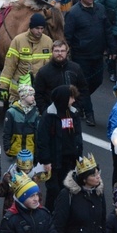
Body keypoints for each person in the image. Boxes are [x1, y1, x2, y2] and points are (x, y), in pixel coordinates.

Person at [64, 0, 117, 126]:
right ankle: (89, 114)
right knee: (84, 85)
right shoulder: (73, 13)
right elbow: (67, 35)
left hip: (97, 54)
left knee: (97, 81)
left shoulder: (100, 9)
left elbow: (107, 30)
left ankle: (79, 102)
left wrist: (112, 48)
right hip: (81, 55)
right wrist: (67, 53)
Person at [36, 85, 84, 213]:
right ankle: (49, 214)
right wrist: (46, 161)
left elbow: (77, 136)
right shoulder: (49, 116)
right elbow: (42, 140)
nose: (73, 100)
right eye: (71, 97)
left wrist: (78, 155)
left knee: (66, 189)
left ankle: (62, 215)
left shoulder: (73, 113)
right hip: (53, 161)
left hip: (69, 160)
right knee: (53, 190)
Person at [0, 13, 52, 103]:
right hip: (19, 92)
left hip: (40, 91)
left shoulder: (48, 42)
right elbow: (9, 66)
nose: (40, 31)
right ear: (30, 27)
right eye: (37, 28)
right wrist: (3, 87)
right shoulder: (18, 41)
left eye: (42, 28)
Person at [33, 40, 89, 114]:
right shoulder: (43, 71)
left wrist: (77, 107)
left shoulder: (76, 68)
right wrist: (45, 111)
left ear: (67, 52)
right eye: (56, 51)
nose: (60, 53)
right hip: (51, 114)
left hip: (72, 112)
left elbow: (83, 90)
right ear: (52, 52)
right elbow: (38, 94)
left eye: (62, 51)